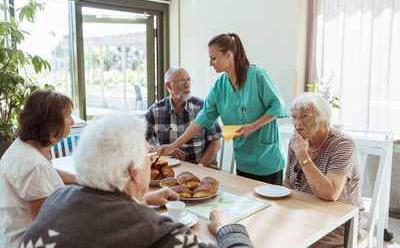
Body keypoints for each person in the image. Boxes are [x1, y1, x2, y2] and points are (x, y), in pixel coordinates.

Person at [20, 111, 254, 248]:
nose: (151, 162)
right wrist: (228, 228)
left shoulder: (57, 200)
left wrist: (143, 199)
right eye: (148, 156)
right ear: (134, 169)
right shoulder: (156, 232)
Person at [159, 33, 287, 184]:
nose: (210, 63)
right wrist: (173, 145)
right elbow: (200, 120)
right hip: (243, 160)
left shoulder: (257, 76)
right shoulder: (220, 86)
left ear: (228, 55)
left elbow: (277, 106)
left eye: (213, 58)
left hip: (268, 160)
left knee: (271, 206)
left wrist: (252, 127)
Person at [283, 92, 363, 247]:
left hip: (338, 222)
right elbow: (288, 182)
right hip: (306, 214)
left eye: (305, 116)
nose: (297, 123)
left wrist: (302, 155)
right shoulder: (297, 142)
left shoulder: (343, 144)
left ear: (323, 120)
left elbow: (329, 193)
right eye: (294, 116)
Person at [0, 89, 77, 247]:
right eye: (68, 116)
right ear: (51, 123)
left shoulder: (26, 146)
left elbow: (49, 172)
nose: (73, 122)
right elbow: (45, 224)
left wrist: (79, 179)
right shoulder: (32, 165)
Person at [146, 66, 222, 169]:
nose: (187, 85)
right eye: (182, 81)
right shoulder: (154, 111)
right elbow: (142, 142)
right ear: (169, 86)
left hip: (201, 165)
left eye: (189, 80)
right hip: (167, 167)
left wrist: (200, 165)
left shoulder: (202, 107)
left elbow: (216, 142)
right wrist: (161, 150)